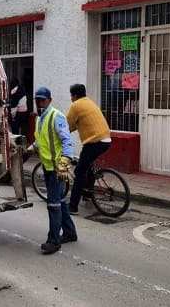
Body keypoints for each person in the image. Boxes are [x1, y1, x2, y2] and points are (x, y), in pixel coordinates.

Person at [27, 87, 77, 254]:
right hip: (48, 167)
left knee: (53, 204)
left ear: (49, 100)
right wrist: (30, 148)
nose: (39, 103)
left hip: (57, 169)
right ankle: (69, 232)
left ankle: (53, 241)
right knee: (60, 201)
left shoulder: (57, 116)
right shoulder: (40, 118)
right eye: (37, 100)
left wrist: (64, 162)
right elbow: (42, 139)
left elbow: (67, 142)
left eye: (42, 100)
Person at [66, 84, 111, 215]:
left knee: (80, 171)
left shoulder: (76, 105)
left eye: (71, 96)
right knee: (88, 165)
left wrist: (61, 135)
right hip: (106, 139)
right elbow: (78, 124)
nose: (71, 98)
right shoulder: (89, 102)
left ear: (74, 95)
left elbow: (67, 125)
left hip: (94, 142)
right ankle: (88, 194)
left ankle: (73, 206)